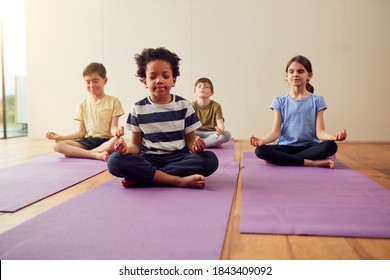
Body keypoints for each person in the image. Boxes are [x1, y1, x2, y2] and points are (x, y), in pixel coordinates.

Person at [107, 47, 219, 189]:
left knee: (210, 160)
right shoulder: (137, 109)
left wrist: (197, 147)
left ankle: (148, 178)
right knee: (114, 161)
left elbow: (190, 141)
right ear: (144, 82)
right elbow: (136, 146)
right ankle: (176, 180)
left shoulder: (184, 106)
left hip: (179, 158)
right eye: (153, 77)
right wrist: (125, 150)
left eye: (165, 76)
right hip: (149, 159)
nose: (159, 80)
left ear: (173, 80)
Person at [250, 55, 347, 168]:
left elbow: (320, 132)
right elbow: (275, 132)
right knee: (260, 151)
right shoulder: (279, 101)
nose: (295, 74)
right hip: (285, 147)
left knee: (331, 146)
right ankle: (310, 162)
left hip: (310, 147)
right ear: (287, 76)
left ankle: (284, 159)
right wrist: (262, 140)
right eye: (291, 72)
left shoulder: (317, 100)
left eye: (300, 71)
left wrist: (333, 137)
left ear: (309, 75)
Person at [46, 62, 125, 161]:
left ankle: (81, 154)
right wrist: (61, 136)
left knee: (118, 141)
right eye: (88, 82)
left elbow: (113, 128)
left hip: (106, 141)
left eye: (95, 81)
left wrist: (117, 133)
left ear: (105, 80)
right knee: (57, 145)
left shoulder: (114, 101)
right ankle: (96, 155)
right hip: (89, 141)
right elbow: (81, 132)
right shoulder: (82, 104)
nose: (91, 85)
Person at [192, 77, 231, 148]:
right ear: (194, 92)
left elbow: (220, 123)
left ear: (212, 93)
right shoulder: (192, 105)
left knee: (226, 135)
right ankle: (211, 143)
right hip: (197, 133)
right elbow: (188, 126)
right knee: (182, 134)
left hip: (212, 133)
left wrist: (220, 130)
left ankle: (201, 144)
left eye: (206, 87)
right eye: (199, 86)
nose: (202, 88)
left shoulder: (216, 106)